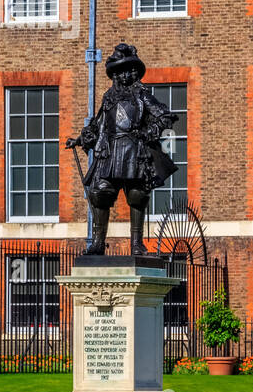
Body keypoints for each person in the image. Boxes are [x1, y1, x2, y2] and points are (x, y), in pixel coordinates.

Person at [67, 43, 178, 255]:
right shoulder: (108, 97)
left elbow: (165, 115)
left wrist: (149, 133)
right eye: (120, 72)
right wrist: (81, 139)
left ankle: (137, 243)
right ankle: (98, 243)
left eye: (128, 71)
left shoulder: (142, 95)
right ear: (115, 75)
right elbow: (98, 124)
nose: (124, 75)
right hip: (110, 151)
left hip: (134, 151)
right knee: (100, 192)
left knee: (137, 195)